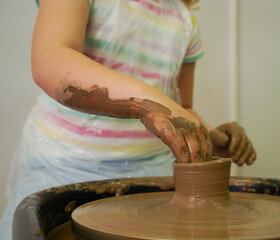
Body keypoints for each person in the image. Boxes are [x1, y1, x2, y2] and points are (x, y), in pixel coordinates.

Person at [0, 0, 256, 238]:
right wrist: (146, 102)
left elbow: (182, 106)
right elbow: (50, 57)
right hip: (62, 168)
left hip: (152, 177)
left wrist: (205, 135)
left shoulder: (184, 18)